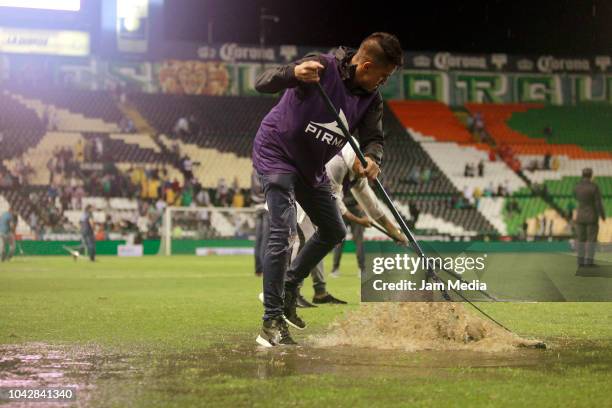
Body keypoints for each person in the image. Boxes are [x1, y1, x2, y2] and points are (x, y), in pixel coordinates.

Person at [252, 32, 403, 347]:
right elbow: (262, 82)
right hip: (277, 154)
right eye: (383, 76)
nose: (383, 82)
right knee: (283, 232)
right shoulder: (321, 66)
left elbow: (374, 138)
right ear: (365, 66)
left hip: (312, 168)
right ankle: (271, 320)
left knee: (335, 230)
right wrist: (292, 73)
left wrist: (373, 159)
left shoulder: (371, 98)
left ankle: (292, 284)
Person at [329, 143, 407, 279]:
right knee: (330, 237)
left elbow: (372, 205)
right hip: (312, 199)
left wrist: (394, 232)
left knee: (357, 241)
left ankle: (361, 269)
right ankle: (296, 288)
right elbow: (335, 203)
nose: (366, 174)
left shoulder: (360, 174)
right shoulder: (337, 164)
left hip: (350, 209)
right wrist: (360, 220)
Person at [574, 168, 606, 267]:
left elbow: (575, 196)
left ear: (582, 175)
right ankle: (589, 262)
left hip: (580, 216)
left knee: (581, 239)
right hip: (592, 216)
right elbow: (598, 203)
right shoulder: (594, 187)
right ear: (591, 175)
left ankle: (580, 261)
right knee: (591, 240)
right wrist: (602, 215)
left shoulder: (577, 186)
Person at [251, 170, 268, 277]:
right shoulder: (265, 168)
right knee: (266, 239)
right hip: (266, 206)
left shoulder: (253, 172)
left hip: (256, 207)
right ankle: (265, 268)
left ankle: (258, 269)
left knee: (258, 239)